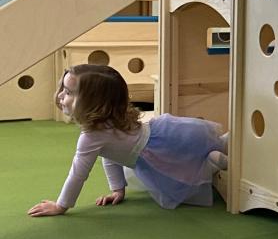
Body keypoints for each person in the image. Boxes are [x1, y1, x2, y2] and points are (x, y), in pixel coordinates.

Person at [27, 64, 229, 217]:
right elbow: (110, 156)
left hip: (156, 152)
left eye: (69, 92)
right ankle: (219, 151)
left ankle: (212, 163)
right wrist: (117, 189)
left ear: (93, 103)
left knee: (182, 173)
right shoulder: (106, 124)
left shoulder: (91, 137)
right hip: (165, 136)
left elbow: (78, 174)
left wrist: (61, 205)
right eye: (63, 88)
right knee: (191, 155)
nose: (61, 95)